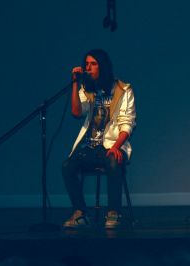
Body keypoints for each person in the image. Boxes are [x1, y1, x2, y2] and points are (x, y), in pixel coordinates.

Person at [62, 49, 136, 229]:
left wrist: (116, 147)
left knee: (112, 161)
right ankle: (80, 212)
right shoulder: (88, 90)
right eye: (86, 64)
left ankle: (114, 212)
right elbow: (77, 112)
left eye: (93, 64)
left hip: (113, 146)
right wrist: (75, 84)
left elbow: (128, 123)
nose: (88, 67)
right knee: (67, 166)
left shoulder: (123, 89)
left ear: (102, 66)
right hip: (91, 148)